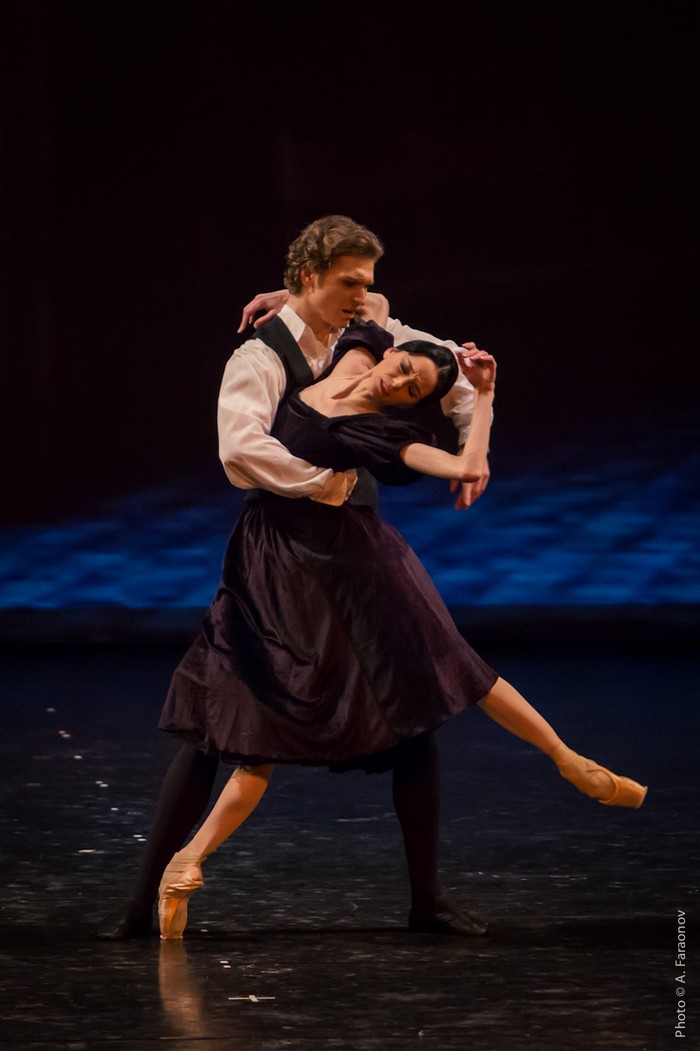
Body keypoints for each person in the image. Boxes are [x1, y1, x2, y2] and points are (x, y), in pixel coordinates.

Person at [155, 320, 646, 940]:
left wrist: (484, 395)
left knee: (452, 661)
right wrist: (288, 297)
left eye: (412, 390)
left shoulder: (380, 433)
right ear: (392, 354)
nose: (399, 383)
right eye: (405, 369)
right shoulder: (357, 349)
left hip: (354, 563)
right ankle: (187, 860)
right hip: (273, 563)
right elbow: (367, 303)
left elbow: (465, 463)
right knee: (266, 716)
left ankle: (569, 761)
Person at [98, 214, 495, 941]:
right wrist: (324, 481)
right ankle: (137, 905)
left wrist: (474, 440)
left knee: (410, 715)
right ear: (309, 277)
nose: (364, 296)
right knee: (218, 727)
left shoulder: (372, 330)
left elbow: (450, 375)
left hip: (356, 556)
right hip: (278, 557)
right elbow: (240, 449)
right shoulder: (260, 354)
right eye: (349, 283)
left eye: (367, 284)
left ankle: (428, 902)